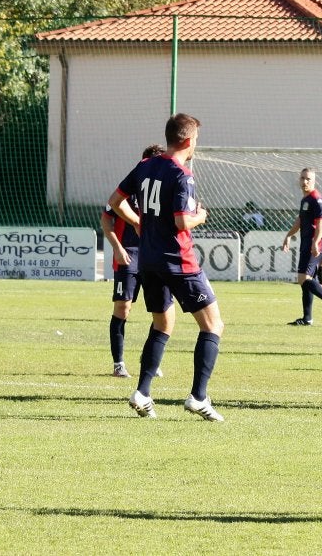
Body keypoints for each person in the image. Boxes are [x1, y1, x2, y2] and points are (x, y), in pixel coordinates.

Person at [109, 113, 226, 421]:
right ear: (188, 140)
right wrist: (201, 216)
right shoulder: (181, 174)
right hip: (179, 261)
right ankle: (198, 397)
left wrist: (140, 223)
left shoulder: (146, 166)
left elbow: (116, 200)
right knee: (213, 325)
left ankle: (142, 392)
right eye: (197, 139)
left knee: (163, 324)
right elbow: (181, 221)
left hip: (147, 260)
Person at [102, 143, 166, 378]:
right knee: (123, 306)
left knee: (160, 311)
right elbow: (105, 220)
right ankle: (118, 364)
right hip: (128, 255)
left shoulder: (163, 188)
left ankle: (150, 360)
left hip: (155, 256)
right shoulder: (129, 186)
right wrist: (117, 248)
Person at [281, 168, 322, 325]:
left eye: (308, 179)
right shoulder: (305, 200)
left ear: (314, 181)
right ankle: (307, 318)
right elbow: (300, 221)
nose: (305, 181)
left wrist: (316, 242)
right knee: (308, 280)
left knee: (303, 279)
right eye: (302, 178)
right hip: (306, 243)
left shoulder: (317, 200)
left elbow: (321, 223)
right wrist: (289, 235)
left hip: (314, 245)